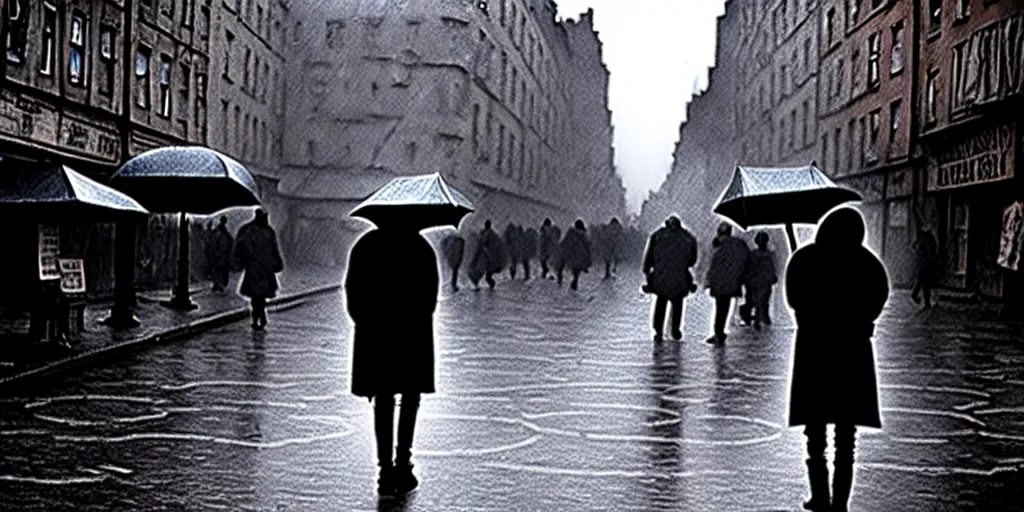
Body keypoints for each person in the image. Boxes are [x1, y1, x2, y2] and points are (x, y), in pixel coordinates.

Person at [785, 207, 889, 512]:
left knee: (814, 435)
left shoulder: (804, 260)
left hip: (814, 353)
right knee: (847, 438)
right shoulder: (867, 263)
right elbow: (879, 297)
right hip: (852, 355)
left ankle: (820, 496)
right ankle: (839, 503)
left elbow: (794, 300)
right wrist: (862, 322)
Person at [344, 219, 439, 496]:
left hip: (376, 336)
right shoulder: (421, 248)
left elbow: (352, 292)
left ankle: (385, 469)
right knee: (410, 399)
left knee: (383, 400)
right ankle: (403, 463)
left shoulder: (366, 245)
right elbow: (430, 299)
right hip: (412, 337)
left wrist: (365, 321)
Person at [642, 215, 698, 342]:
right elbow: (692, 260)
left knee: (661, 303)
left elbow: (649, 257)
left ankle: (658, 331)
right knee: (677, 304)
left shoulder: (657, 236)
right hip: (680, 276)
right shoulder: (688, 237)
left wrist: (647, 271)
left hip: (661, 275)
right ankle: (675, 330)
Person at [234, 209, 284, 330]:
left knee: (258, 296)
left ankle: (258, 317)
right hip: (257, 269)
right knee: (257, 297)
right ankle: (259, 317)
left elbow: (274, 248)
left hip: (262, 269)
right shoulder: (251, 231)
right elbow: (241, 248)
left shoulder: (262, 231)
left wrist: (277, 261)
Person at [705, 222, 749, 344]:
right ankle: (720, 332)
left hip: (720, 283)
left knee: (720, 308)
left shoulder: (718, 246)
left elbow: (713, 266)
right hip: (734, 281)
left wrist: (709, 282)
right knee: (725, 307)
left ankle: (718, 333)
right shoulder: (739, 245)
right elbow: (745, 261)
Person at [744, 231, 778, 330]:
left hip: (756, 281)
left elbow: (749, 267)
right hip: (763, 281)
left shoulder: (753, 254)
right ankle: (761, 319)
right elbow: (771, 268)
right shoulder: (769, 255)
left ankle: (759, 319)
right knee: (762, 301)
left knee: (759, 300)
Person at [558, 219, 592, 291]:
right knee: (576, 271)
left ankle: (573, 283)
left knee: (575, 270)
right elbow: (588, 246)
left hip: (574, 255)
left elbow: (564, 244)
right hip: (577, 256)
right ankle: (574, 283)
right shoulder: (582, 235)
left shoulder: (572, 234)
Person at [910, 228, 939, 309]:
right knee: (925, 283)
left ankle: (916, 296)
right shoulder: (923, 237)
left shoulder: (927, 237)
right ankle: (926, 302)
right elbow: (914, 245)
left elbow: (930, 251)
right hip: (924, 262)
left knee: (922, 281)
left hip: (925, 263)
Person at [207, 216, 234, 293]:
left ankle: (218, 284)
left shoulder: (222, 232)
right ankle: (218, 284)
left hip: (221, 255)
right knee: (218, 270)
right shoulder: (221, 232)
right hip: (219, 255)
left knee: (219, 270)